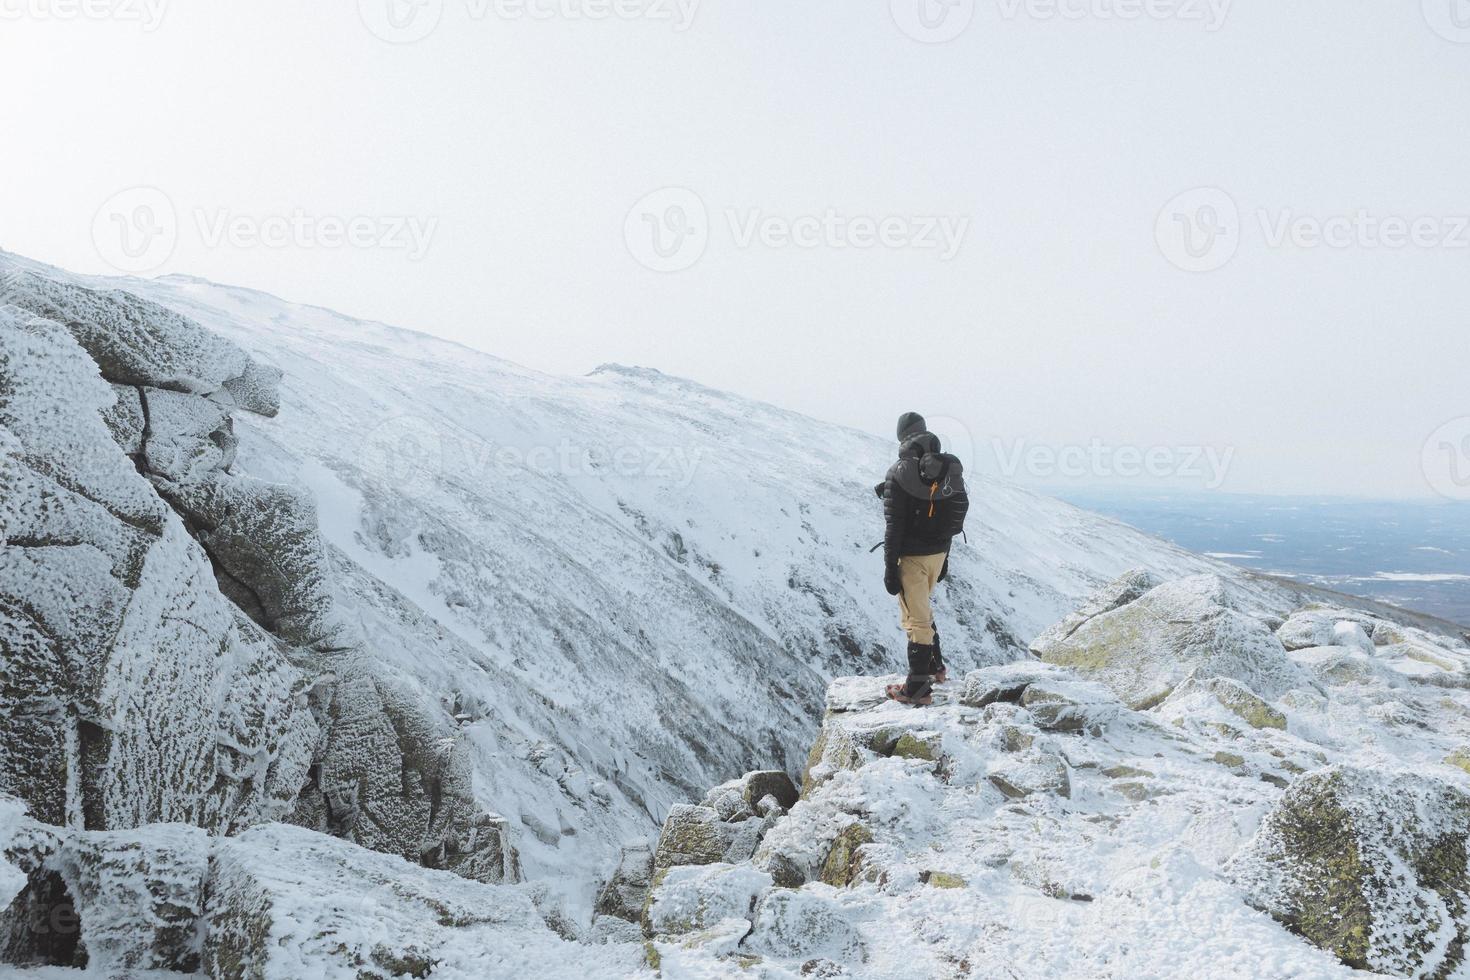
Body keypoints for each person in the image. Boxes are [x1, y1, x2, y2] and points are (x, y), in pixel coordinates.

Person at [875, 411, 969, 706]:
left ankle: (918, 690)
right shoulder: (945, 468)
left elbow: (895, 527)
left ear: (903, 437)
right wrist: (946, 558)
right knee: (923, 609)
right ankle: (935, 668)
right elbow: (947, 514)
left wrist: (890, 568)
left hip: (913, 558)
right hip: (938, 553)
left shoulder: (899, 471)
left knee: (916, 620)